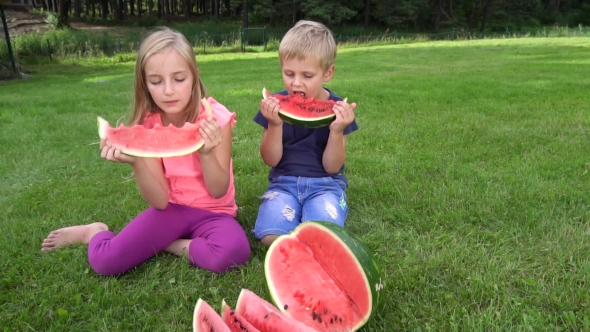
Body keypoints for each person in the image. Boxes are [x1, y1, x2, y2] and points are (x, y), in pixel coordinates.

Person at [41, 27, 251, 275]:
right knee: (105, 262)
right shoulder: (148, 127)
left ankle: (166, 244)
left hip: (216, 214)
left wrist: (206, 153)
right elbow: (160, 201)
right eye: (156, 81)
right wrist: (137, 163)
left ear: (195, 76)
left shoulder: (216, 119)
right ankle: (94, 231)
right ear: (145, 84)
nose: (168, 90)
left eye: (179, 79)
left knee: (234, 252)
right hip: (171, 211)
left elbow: (218, 191)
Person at [252, 20, 358, 246]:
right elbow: (270, 159)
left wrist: (337, 131)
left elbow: (333, 167)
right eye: (289, 73)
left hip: (326, 185)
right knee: (270, 237)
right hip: (283, 184)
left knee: (322, 236)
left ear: (327, 73)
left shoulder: (338, 110)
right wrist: (275, 124)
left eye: (307, 76)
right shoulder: (274, 106)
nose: (296, 83)